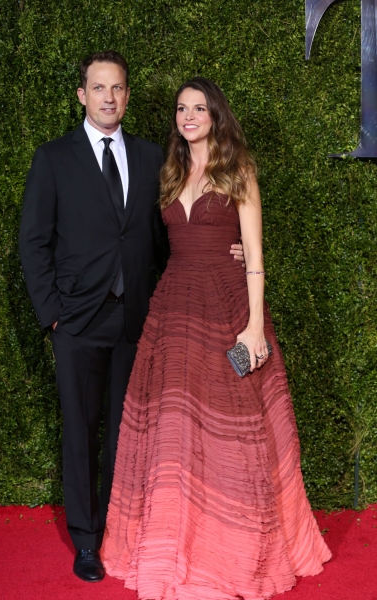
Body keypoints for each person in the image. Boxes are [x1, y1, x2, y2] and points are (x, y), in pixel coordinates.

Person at [101, 77, 331, 599]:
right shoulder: (170, 169)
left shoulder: (238, 169)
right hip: (175, 310)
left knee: (233, 431)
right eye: (182, 109)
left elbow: (254, 256)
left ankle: (231, 546)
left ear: (215, 115)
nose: (188, 117)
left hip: (228, 309)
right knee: (175, 429)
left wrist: (253, 326)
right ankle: (175, 539)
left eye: (198, 108)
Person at [19, 53, 243, 583]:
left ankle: (125, 530)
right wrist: (52, 315)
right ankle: (87, 541)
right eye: (98, 89)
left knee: (129, 432)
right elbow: (33, 242)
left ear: (127, 93)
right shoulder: (53, 158)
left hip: (138, 322)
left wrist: (225, 251)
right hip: (75, 322)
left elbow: (174, 232)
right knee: (81, 431)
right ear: (82, 95)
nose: (109, 98)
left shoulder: (151, 159)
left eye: (117, 88)